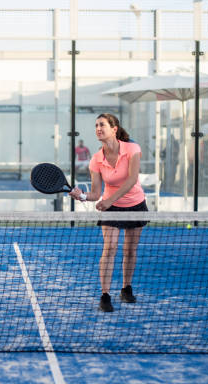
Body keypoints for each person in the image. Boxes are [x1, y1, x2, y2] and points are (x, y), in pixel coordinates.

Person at [69, 113, 147, 313]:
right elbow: (96, 193)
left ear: (114, 129)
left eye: (102, 125)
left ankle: (126, 288)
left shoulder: (132, 149)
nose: (98, 128)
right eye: (96, 125)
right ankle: (105, 295)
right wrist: (83, 196)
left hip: (135, 204)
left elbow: (131, 180)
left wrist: (108, 200)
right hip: (111, 207)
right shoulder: (96, 160)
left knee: (130, 250)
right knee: (110, 248)